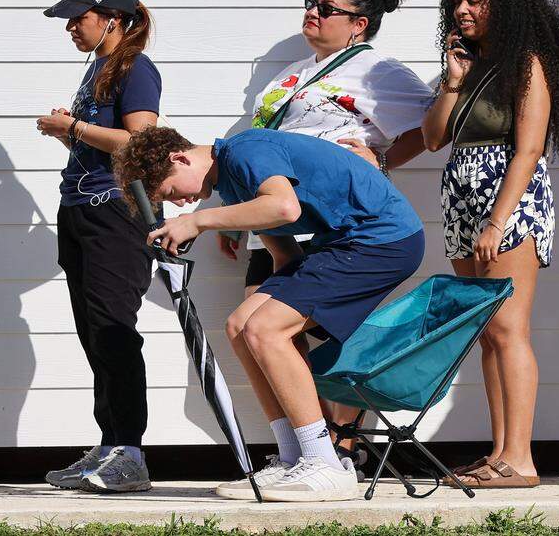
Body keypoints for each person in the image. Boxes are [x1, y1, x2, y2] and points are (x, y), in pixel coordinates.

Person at [113, 127, 425, 502]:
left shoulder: (246, 151)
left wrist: (200, 221)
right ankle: (294, 457)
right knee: (241, 326)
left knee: (264, 329)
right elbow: (286, 257)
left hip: (381, 239)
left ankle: (326, 462)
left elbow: (284, 207)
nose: (180, 204)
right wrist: (277, 307)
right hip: (344, 245)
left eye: (170, 192)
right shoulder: (232, 184)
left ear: (178, 159)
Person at [217, 0, 432, 462]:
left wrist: (380, 159)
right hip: (276, 216)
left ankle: (342, 444)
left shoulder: (379, 70)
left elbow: (431, 123)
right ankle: (303, 446)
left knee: (323, 331)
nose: (311, 13)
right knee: (258, 326)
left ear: (359, 23)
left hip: (333, 218)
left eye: (326, 8)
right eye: (310, 2)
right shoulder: (292, 71)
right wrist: (234, 211)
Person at [420, 0, 559, 488]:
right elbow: (434, 137)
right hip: (463, 195)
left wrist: (497, 221)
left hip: (505, 200)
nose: (463, 10)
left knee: (509, 329)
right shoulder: (471, 66)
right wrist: (452, 80)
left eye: (476, 1)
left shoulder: (527, 64)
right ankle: (499, 453)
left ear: (505, 8)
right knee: (487, 332)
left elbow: (530, 148)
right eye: (458, 1)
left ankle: (521, 460)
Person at [34, 0, 161, 493]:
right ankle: (109, 445)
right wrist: (73, 135)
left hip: (116, 216)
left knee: (114, 331)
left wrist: (75, 129)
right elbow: (98, 152)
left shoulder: (136, 69)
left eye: (78, 17)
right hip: (81, 211)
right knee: (93, 335)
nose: (70, 27)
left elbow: (142, 143)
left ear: (113, 18)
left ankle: (129, 451)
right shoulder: (100, 69)